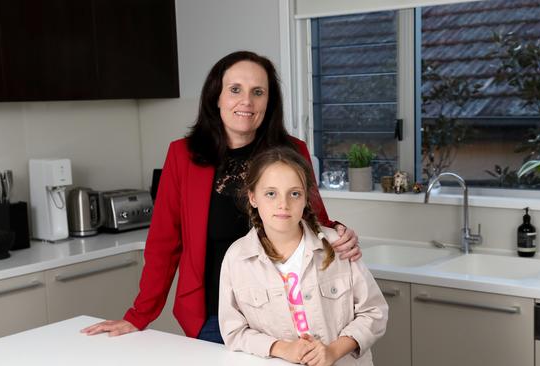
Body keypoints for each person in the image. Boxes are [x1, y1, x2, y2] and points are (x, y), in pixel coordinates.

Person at [81, 51, 361, 343]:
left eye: (258, 92)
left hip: (290, 314)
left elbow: (314, 221)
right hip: (216, 317)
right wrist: (138, 316)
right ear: (216, 97)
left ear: (270, 101)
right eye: (235, 90)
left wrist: (340, 234)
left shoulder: (293, 151)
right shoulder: (182, 156)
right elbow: (164, 243)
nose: (247, 102)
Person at [219, 146, 387, 366]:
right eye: (271, 193)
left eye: (294, 193)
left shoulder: (337, 245)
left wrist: (333, 351)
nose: (283, 204)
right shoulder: (237, 258)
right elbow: (234, 331)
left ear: (306, 197)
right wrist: (283, 349)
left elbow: (374, 312)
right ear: (253, 197)